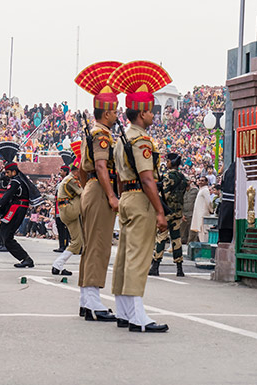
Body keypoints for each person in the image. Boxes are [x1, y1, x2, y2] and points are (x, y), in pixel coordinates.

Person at [108, 60, 170, 332]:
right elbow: (147, 177)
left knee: (124, 255)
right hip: (141, 199)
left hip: (127, 197)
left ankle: (123, 310)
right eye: (151, 111)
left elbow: (121, 176)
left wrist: (122, 200)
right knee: (139, 256)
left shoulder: (122, 139)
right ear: (142, 113)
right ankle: (138, 316)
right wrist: (159, 210)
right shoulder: (142, 140)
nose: (154, 116)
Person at [74, 61, 122, 322]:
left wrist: (87, 190)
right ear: (106, 113)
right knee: (99, 245)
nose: (117, 116)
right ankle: (92, 301)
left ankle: (86, 299)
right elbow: (102, 166)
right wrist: (111, 195)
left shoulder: (90, 132)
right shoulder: (102, 134)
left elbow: (83, 169)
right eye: (114, 111)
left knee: (91, 244)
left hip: (91, 188)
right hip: (101, 189)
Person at [0, 141, 42, 268]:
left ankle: (26, 258)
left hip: (18, 208)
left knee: (7, 237)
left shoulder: (16, 182)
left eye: (7, 173)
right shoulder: (16, 180)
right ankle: (25, 258)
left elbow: (6, 198)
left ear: (13, 172)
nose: (6, 175)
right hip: (16, 208)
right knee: (6, 235)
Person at [150, 153, 187, 277]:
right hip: (177, 212)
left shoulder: (167, 176)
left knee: (161, 238)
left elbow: (163, 194)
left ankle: (155, 266)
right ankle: (179, 268)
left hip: (166, 212)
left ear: (171, 162)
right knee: (176, 239)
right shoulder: (182, 177)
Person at [51, 141, 83, 276]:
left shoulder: (69, 179)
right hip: (69, 210)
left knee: (78, 241)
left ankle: (58, 265)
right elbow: (83, 193)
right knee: (88, 195)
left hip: (67, 211)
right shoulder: (71, 180)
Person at [53, 152, 72, 252]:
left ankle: (65, 245)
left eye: (61, 170)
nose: (60, 172)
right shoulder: (60, 182)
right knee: (59, 227)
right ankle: (61, 245)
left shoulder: (68, 182)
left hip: (64, 207)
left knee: (64, 228)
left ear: (65, 172)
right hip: (57, 207)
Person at [190, 176, 213, 242]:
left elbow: (208, 202)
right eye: (199, 180)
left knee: (203, 233)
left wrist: (211, 210)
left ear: (206, 182)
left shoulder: (205, 190)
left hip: (203, 214)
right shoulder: (201, 189)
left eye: (202, 181)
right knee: (200, 233)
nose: (200, 182)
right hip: (200, 214)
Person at [181, 179, 199, 244]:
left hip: (192, 214)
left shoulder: (195, 190)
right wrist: (181, 214)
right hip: (183, 214)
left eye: (187, 180)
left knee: (192, 233)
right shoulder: (181, 191)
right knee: (182, 235)